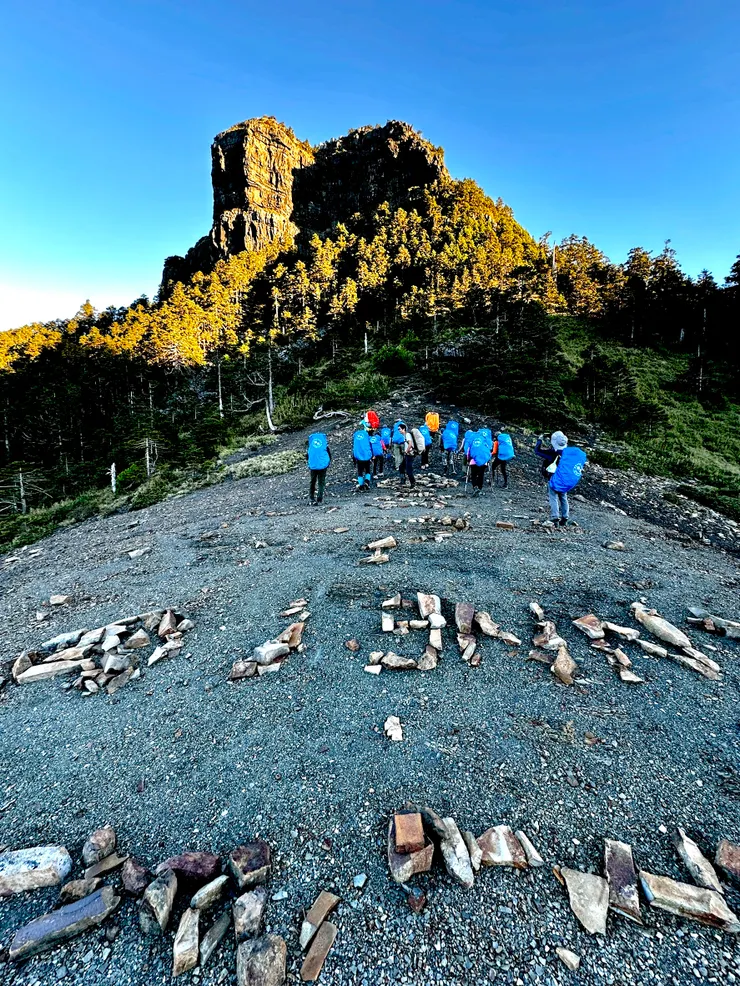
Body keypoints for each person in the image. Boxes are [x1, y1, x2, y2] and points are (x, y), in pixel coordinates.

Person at [547, 442, 587, 526]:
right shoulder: (576, 458)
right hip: (567, 482)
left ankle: (555, 516)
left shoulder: (562, 454)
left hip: (558, 480)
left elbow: (539, 451)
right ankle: (565, 517)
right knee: (563, 498)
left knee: (553, 496)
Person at [306, 432, 331, 505]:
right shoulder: (324, 446)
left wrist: (310, 464)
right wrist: (327, 464)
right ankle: (320, 497)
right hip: (323, 466)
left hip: (313, 467)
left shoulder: (311, 447)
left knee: (312, 481)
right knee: (321, 482)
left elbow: (307, 456)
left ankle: (311, 497)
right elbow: (329, 455)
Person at [398, 423, 424, 488]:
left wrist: (406, 451)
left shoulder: (407, 435)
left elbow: (410, 444)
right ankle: (403, 480)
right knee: (401, 466)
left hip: (410, 454)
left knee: (408, 469)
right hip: (408, 454)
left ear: (403, 429)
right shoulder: (406, 435)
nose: (399, 430)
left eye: (399, 429)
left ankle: (412, 482)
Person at [467, 429, 491, 496]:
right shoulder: (485, 441)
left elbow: (468, 452)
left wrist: (468, 460)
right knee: (481, 475)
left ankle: (475, 487)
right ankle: (479, 489)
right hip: (483, 462)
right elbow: (488, 451)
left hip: (473, 462)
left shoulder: (472, 442)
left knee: (473, 475)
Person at [352, 422, 373, 492]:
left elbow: (354, 447)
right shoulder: (366, 434)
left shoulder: (355, 435)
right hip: (366, 456)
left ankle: (361, 485)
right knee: (367, 470)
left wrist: (354, 458)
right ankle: (367, 483)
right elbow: (370, 443)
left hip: (358, 456)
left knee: (360, 471)